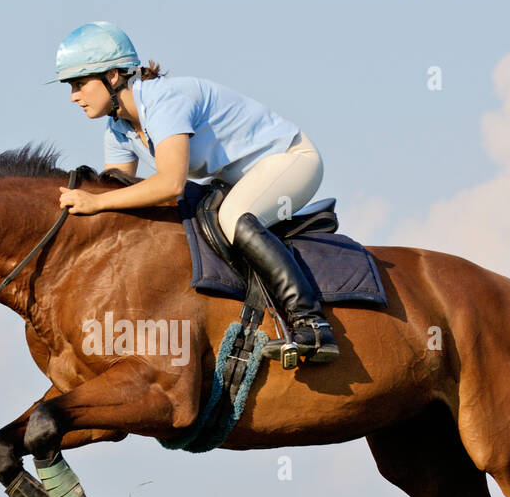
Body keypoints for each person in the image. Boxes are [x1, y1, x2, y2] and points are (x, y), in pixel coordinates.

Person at [53, 21, 339, 364]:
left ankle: (311, 324)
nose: (73, 96)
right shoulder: (117, 130)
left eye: (80, 84)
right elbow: (118, 191)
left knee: (234, 218)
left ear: (113, 76)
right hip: (243, 178)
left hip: (292, 159)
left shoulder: (163, 101)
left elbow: (169, 185)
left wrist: (96, 202)